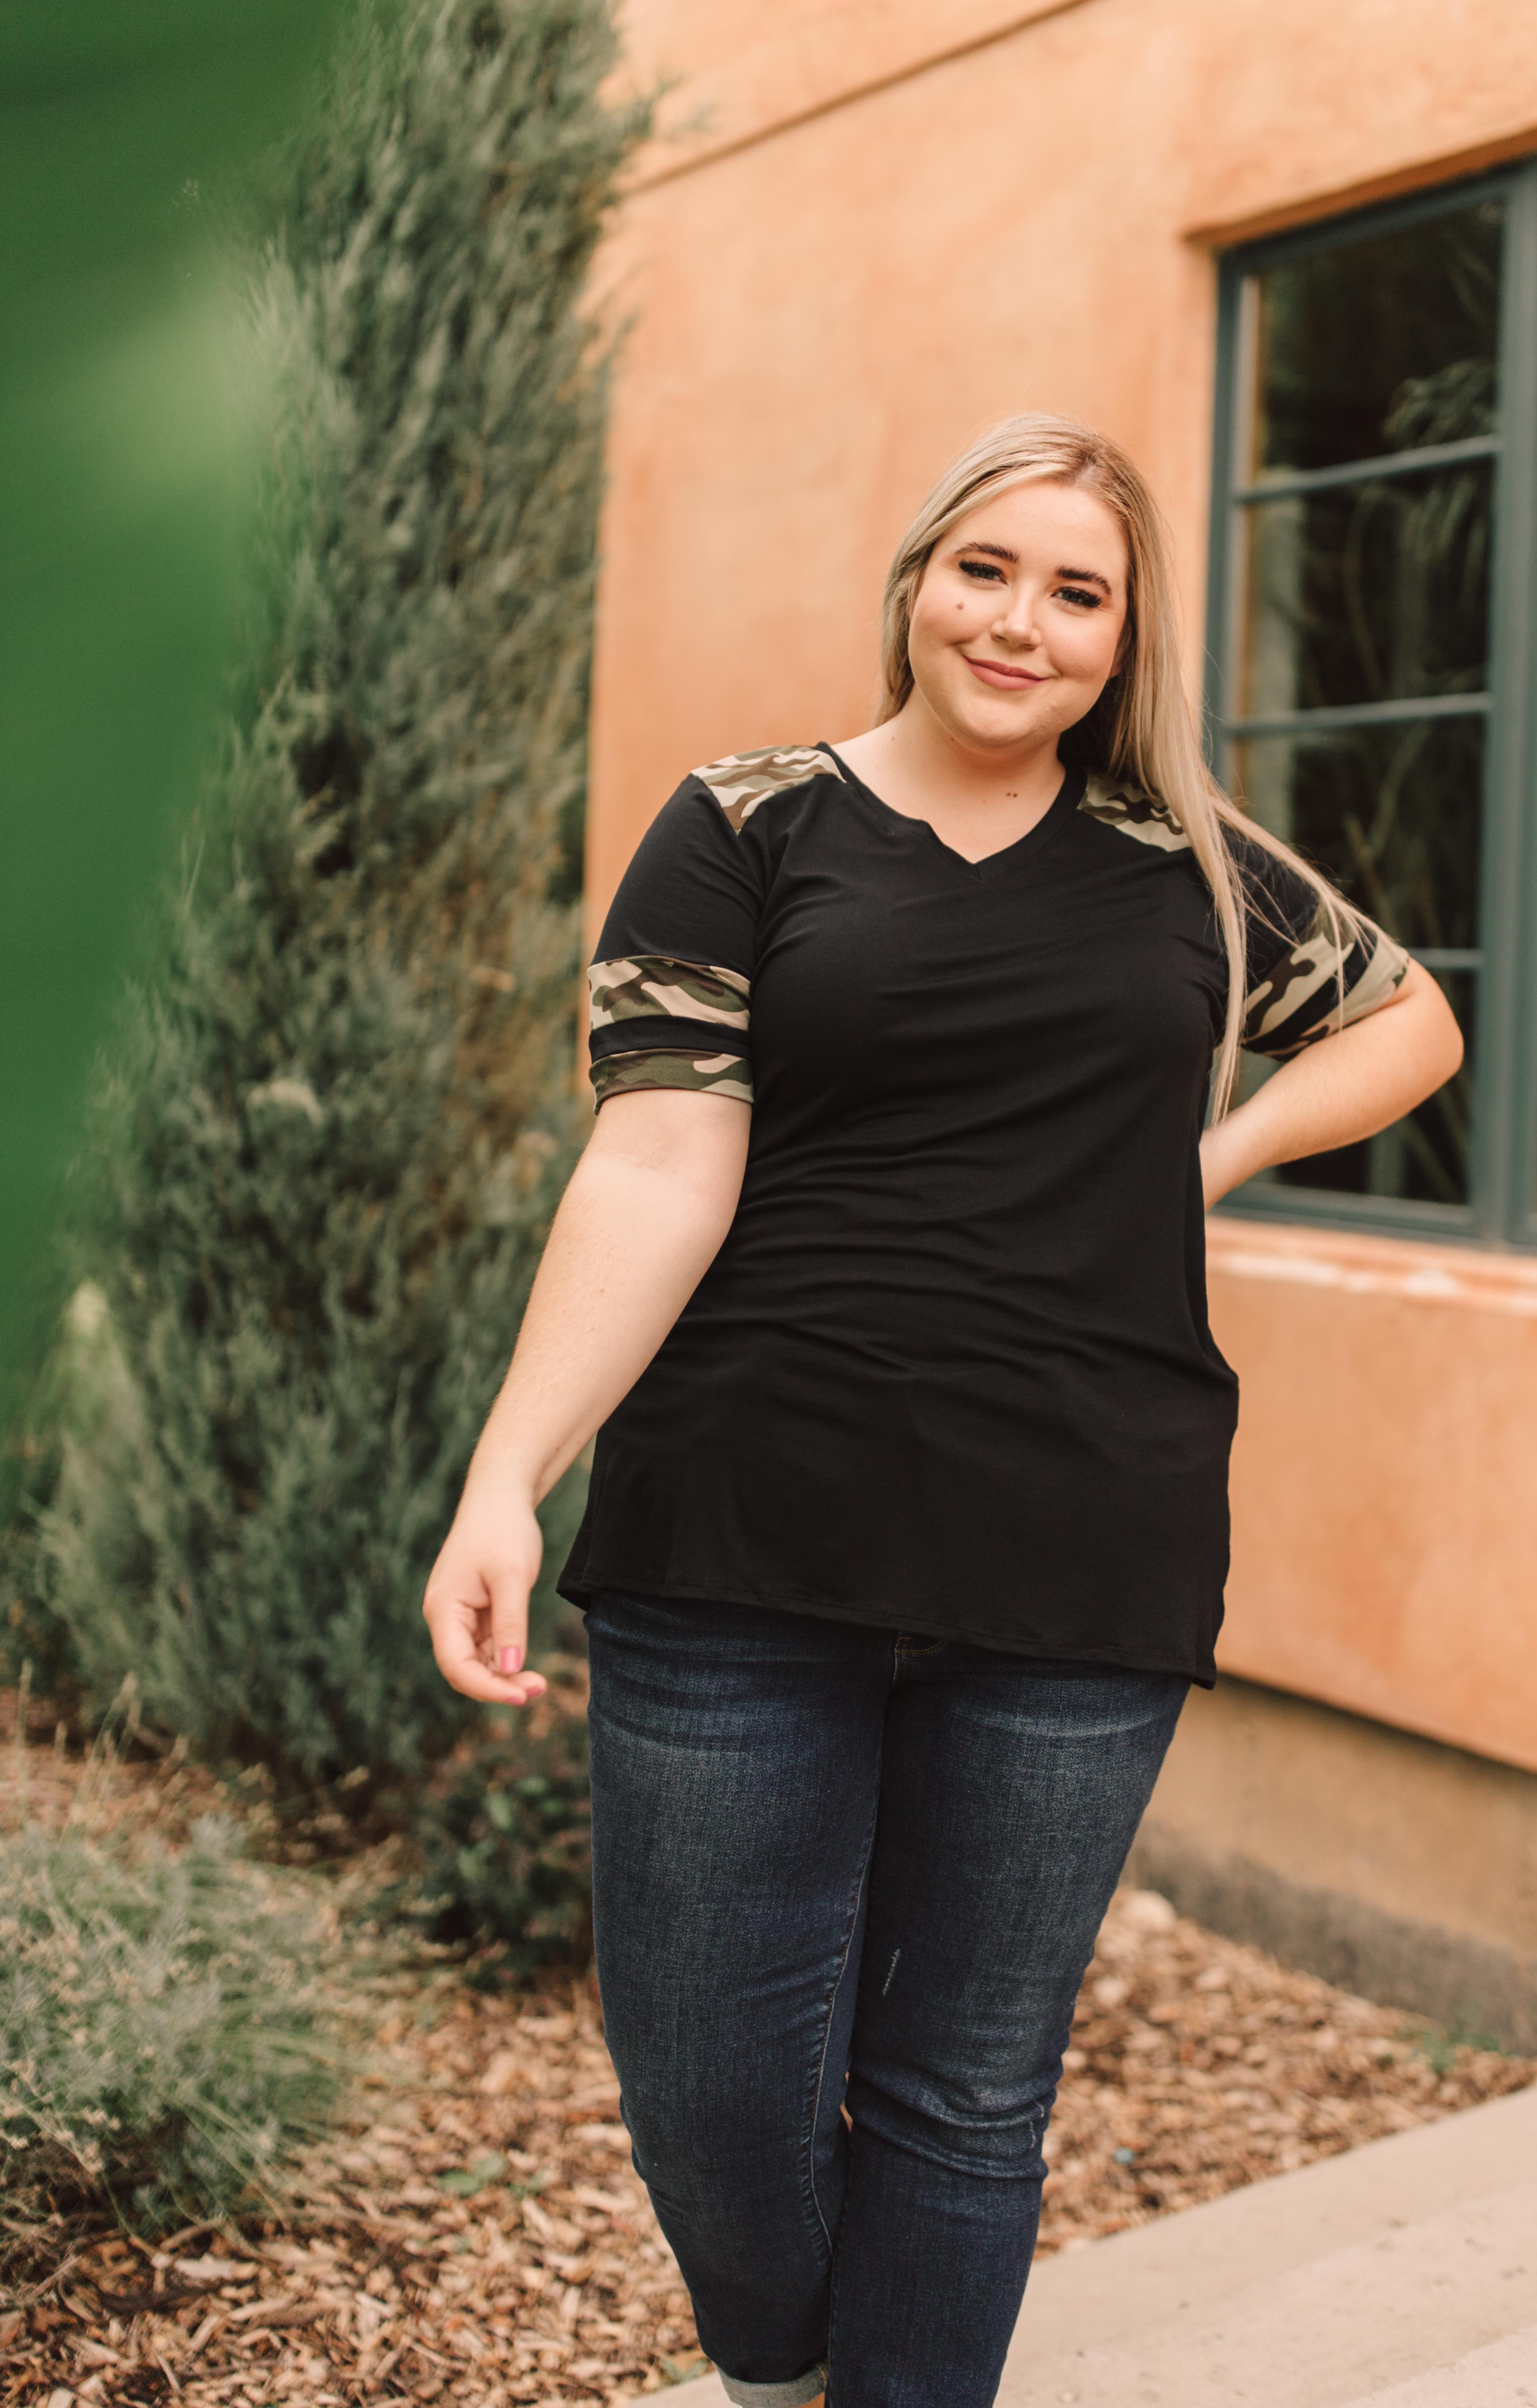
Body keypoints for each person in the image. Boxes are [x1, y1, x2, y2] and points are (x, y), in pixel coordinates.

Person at [423, 414, 1462, 2408]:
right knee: (712, 2077)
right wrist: (505, 1474)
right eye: (987, 566)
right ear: (914, 578)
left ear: (1124, 635)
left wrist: (1218, 1152)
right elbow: (654, 1163)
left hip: (1083, 1524)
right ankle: (780, 2367)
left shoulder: (1188, 867)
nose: (1022, 618)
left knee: (968, 2086)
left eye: (1079, 589)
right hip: (741, 1516)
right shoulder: (748, 824)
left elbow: (1403, 1015)